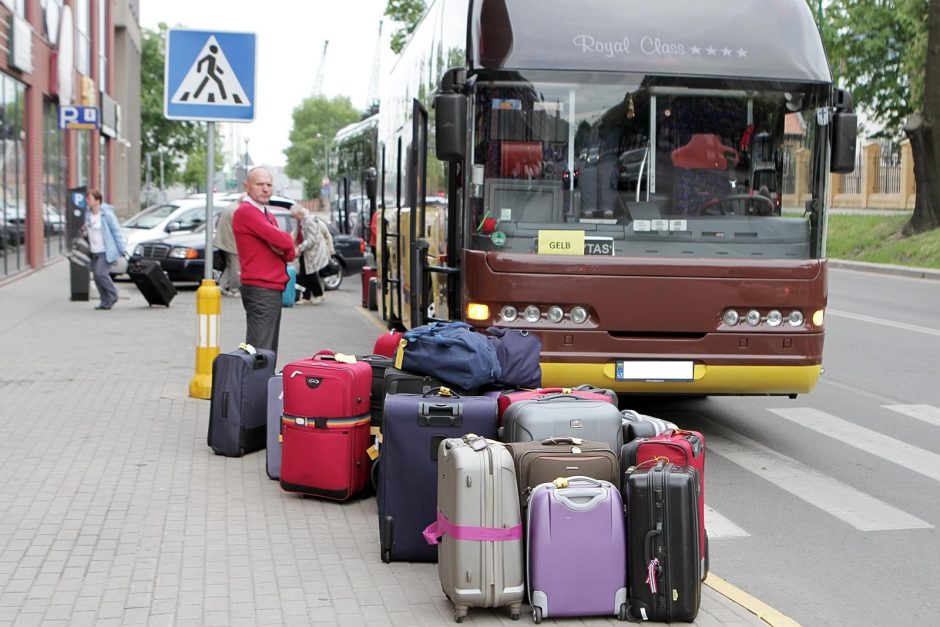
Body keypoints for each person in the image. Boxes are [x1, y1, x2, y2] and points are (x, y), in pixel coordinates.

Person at [232, 167, 296, 356]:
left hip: (270, 288)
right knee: (260, 353)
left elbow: (289, 253)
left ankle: (262, 385)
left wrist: (282, 246)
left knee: (267, 352)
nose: (266, 189)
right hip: (261, 289)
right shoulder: (247, 212)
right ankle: (255, 386)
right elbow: (286, 241)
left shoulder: (266, 213)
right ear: (247, 186)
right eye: (260, 184)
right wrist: (282, 244)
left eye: (269, 184)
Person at [84, 189, 127, 310]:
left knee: (101, 273)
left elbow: (116, 231)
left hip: (105, 250)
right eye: (87, 198)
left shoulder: (107, 214)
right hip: (93, 250)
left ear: (97, 201)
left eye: (90, 198)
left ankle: (113, 295)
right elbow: (87, 229)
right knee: (97, 277)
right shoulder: (88, 214)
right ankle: (104, 301)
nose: (87, 201)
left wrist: (122, 248)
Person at [292, 200, 335, 305]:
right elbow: (295, 234)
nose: (294, 218)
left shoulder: (310, 221)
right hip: (306, 253)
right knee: (304, 275)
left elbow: (311, 240)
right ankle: (306, 297)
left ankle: (319, 295)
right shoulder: (301, 222)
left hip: (313, 253)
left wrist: (300, 247)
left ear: (300, 214)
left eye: (295, 215)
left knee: (311, 275)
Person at [213, 197, 241, 297]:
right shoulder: (238, 210)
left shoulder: (230, 207)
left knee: (229, 266)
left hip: (224, 241)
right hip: (232, 243)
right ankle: (234, 289)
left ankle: (221, 286)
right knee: (235, 267)